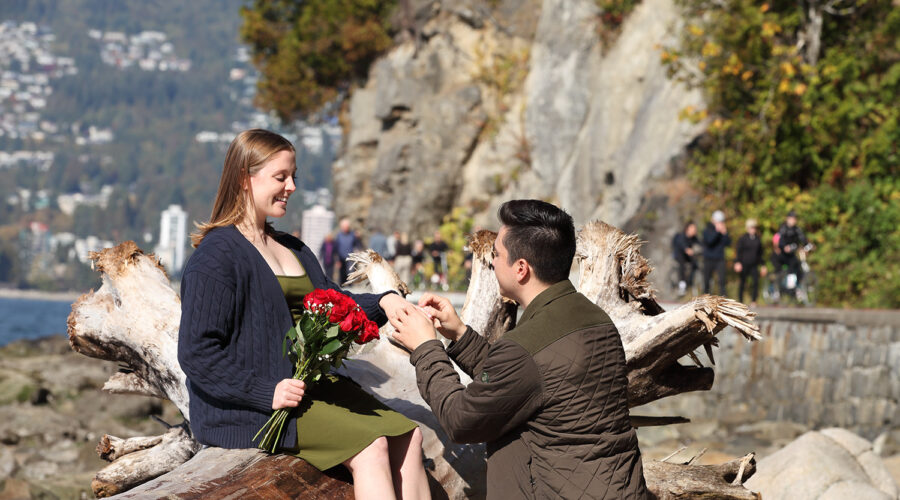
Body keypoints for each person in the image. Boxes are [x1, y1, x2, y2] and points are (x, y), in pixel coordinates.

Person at [177, 129, 429, 500]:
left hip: (308, 388)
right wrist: (266, 391)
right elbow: (196, 353)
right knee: (371, 446)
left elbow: (334, 307)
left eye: (293, 176)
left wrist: (387, 302)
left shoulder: (292, 247)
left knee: (409, 436)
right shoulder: (215, 257)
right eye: (281, 177)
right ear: (245, 178)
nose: (291, 186)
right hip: (253, 409)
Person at [389, 199, 650, 499]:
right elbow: (529, 380)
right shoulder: (594, 319)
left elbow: (462, 420)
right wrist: (460, 334)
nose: (494, 260)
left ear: (521, 269)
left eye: (497, 254)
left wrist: (426, 347)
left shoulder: (524, 349)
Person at [734, 219, 765, 305]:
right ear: (747, 228)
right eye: (751, 228)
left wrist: (763, 265)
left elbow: (760, 254)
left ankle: (754, 301)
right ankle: (740, 301)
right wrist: (737, 262)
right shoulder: (743, 239)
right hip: (744, 264)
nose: (753, 230)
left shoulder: (757, 239)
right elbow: (738, 251)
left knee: (755, 282)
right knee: (742, 282)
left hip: (754, 264)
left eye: (754, 228)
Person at [702, 210, 731, 296]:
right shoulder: (707, 230)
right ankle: (704, 299)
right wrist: (717, 232)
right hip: (709, 258)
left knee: (722, 280)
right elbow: (710, 241)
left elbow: (728, 243)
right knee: (707, 280)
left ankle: (723, 297)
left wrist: (725, 234)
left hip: (719, 259)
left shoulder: (722, 231)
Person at [777, 210, 808, 281]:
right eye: (792, 219)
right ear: (788, 219)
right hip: (783, 254)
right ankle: (788, 287)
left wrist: (808, 245)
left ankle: (797, 287)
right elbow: (780, 240)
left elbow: (802, 238)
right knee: (790, 265)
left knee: (798, 267)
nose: (794, 221)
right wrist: (784, 247)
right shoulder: (783, 228)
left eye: (795, 219)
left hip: (791, 253)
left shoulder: (797, 229)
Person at [671, 221, 699, 297]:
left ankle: (690, 282)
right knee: (682, 265)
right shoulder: (681, 236)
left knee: (695, 264)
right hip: (679, 255)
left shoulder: (694, 238)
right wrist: (687, 249)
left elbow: (699, 244)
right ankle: (682, 284)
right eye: (693, 228)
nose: (694, 230)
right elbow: (682, 244)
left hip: (688, 257)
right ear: (688, 229)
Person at [335, 218, 362, 284]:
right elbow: (336, 248)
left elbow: (358, 245)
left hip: (350, 258)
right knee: (342, 275)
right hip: (341, 258)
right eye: (344, 227)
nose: (345, 228)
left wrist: (359, 252)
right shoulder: (339, 236)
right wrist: (337, 260)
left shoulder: (353, 235)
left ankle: (350, 288)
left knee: (350, 274)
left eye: (347, 227)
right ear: (341, 227)